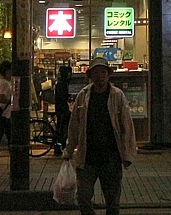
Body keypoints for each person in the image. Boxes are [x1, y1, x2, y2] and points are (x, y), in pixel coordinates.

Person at [64, 60, 138, 215]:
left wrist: (128, 154)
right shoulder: (83, 95)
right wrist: (69, 150)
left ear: (108, 75)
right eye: (96, 72)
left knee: (112, 201)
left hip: (111, 157)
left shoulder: (117, 95)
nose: (100, 76)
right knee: (83, 197)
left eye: (103, 72)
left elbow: (127, 126)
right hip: (87, 157)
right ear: (90, 76)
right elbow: (74, 125)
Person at [54, 65, 72, 157]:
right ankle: (58, 146)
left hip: (61, 109)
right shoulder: (63, 84)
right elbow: (63, 97)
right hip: (62, 110)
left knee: (61, 128)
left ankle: (59, 146)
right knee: (62, 129)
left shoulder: (61, 83)